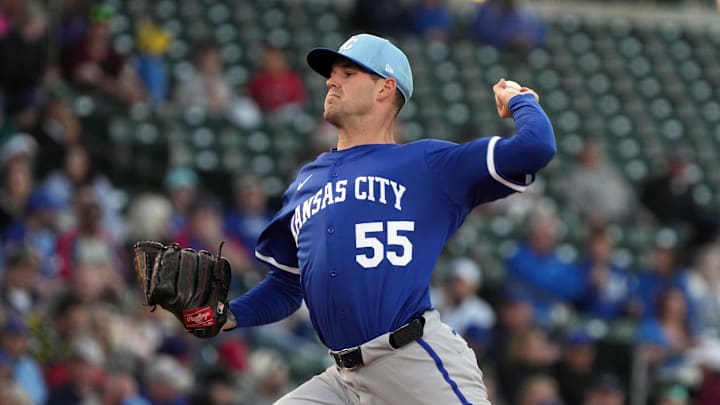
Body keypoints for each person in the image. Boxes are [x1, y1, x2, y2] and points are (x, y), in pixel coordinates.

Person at [222, 33, 555, 404]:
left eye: (348, 73)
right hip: (344, 380)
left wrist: (520, 101)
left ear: (385, 88)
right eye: (332, 74)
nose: (332, 81)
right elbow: (286, 286)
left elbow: (536, 147)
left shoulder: (428, 165)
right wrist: (227, 315)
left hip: (412, 362)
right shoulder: (306, 182)